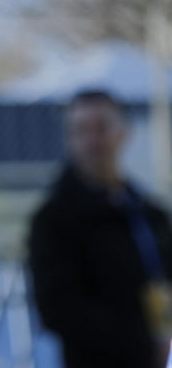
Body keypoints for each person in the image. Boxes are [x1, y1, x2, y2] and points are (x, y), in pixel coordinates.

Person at [28, 90, 172, 368]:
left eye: (102, 127)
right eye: (81, 130)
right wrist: (139, 337)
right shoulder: (53, 221)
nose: (93, 141)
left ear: (123, 133)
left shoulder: (148, 214)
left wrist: (162, 338)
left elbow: (161, 280)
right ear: (70, 139)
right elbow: (58, 310)